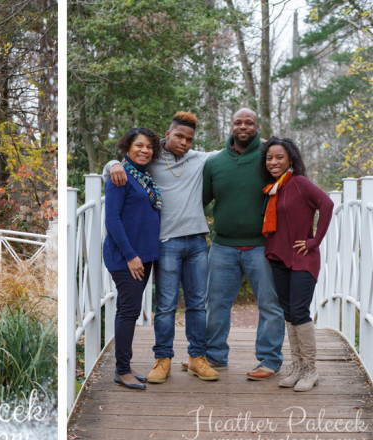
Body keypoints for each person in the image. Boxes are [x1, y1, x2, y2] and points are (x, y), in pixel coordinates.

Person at [105, 112, 218, 383]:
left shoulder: (193, 159)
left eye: (189, 139)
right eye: (179, 136)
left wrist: (259, 139)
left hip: (189, 243)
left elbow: (228, 151)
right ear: (167, 135)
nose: (184, 142)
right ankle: (158, 360)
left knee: (197, 304)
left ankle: (197, 358)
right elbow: (114, 204)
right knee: (163, 306)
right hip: (159, 246)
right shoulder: (143, 164)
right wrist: (112, 163)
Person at [202, 108, 285, 380]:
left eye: (249, 122)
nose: (243, 126)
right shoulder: (215, 163)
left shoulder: (267, 158)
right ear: (231, 126)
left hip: (262, 245)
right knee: (215, 304)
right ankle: (215, 357)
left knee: (270, 305)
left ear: (257, 126)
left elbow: (290, 181)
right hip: (223, 246)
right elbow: (200, 200)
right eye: (238, 122)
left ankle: (269, 360)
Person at [258, 137, 332, 391]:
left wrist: (314, 241)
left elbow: (327, 204)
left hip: (302, 258)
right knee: (289, 313)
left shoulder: (299, 183)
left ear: (291, 158)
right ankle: (297, 366)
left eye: (279, 157)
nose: (273, 162)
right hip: (279, 257)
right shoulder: (274, 187)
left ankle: (311, 369)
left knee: (299, 311)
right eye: (269, 158)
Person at [104, 127, 162, 390]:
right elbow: (112, 220)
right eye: (139, 145)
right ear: (127, 147)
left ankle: (125, 364)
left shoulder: (143, 177)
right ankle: (121, 369)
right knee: (128, 311)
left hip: (144, 255)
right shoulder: (120, 176)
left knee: (132, 309)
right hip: (126, 257)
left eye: (149, 146)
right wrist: (130, 256)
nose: (144, 150)